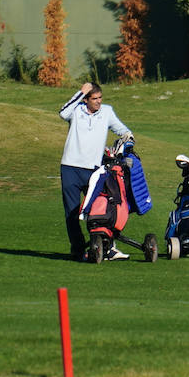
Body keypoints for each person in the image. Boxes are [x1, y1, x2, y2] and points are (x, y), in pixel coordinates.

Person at [59, 82, 134, 261]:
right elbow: (63, 113)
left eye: (100, 98)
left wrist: (127, 140)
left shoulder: (107, 112)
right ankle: (77, 249)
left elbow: (123, 130)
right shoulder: (76, 110)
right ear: (85, 99)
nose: (98, 102)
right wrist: (81, 92)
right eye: (94, 99)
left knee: (101, 210)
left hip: (94, 170)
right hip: (70, 168)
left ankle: (108, 247)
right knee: (72, 212)